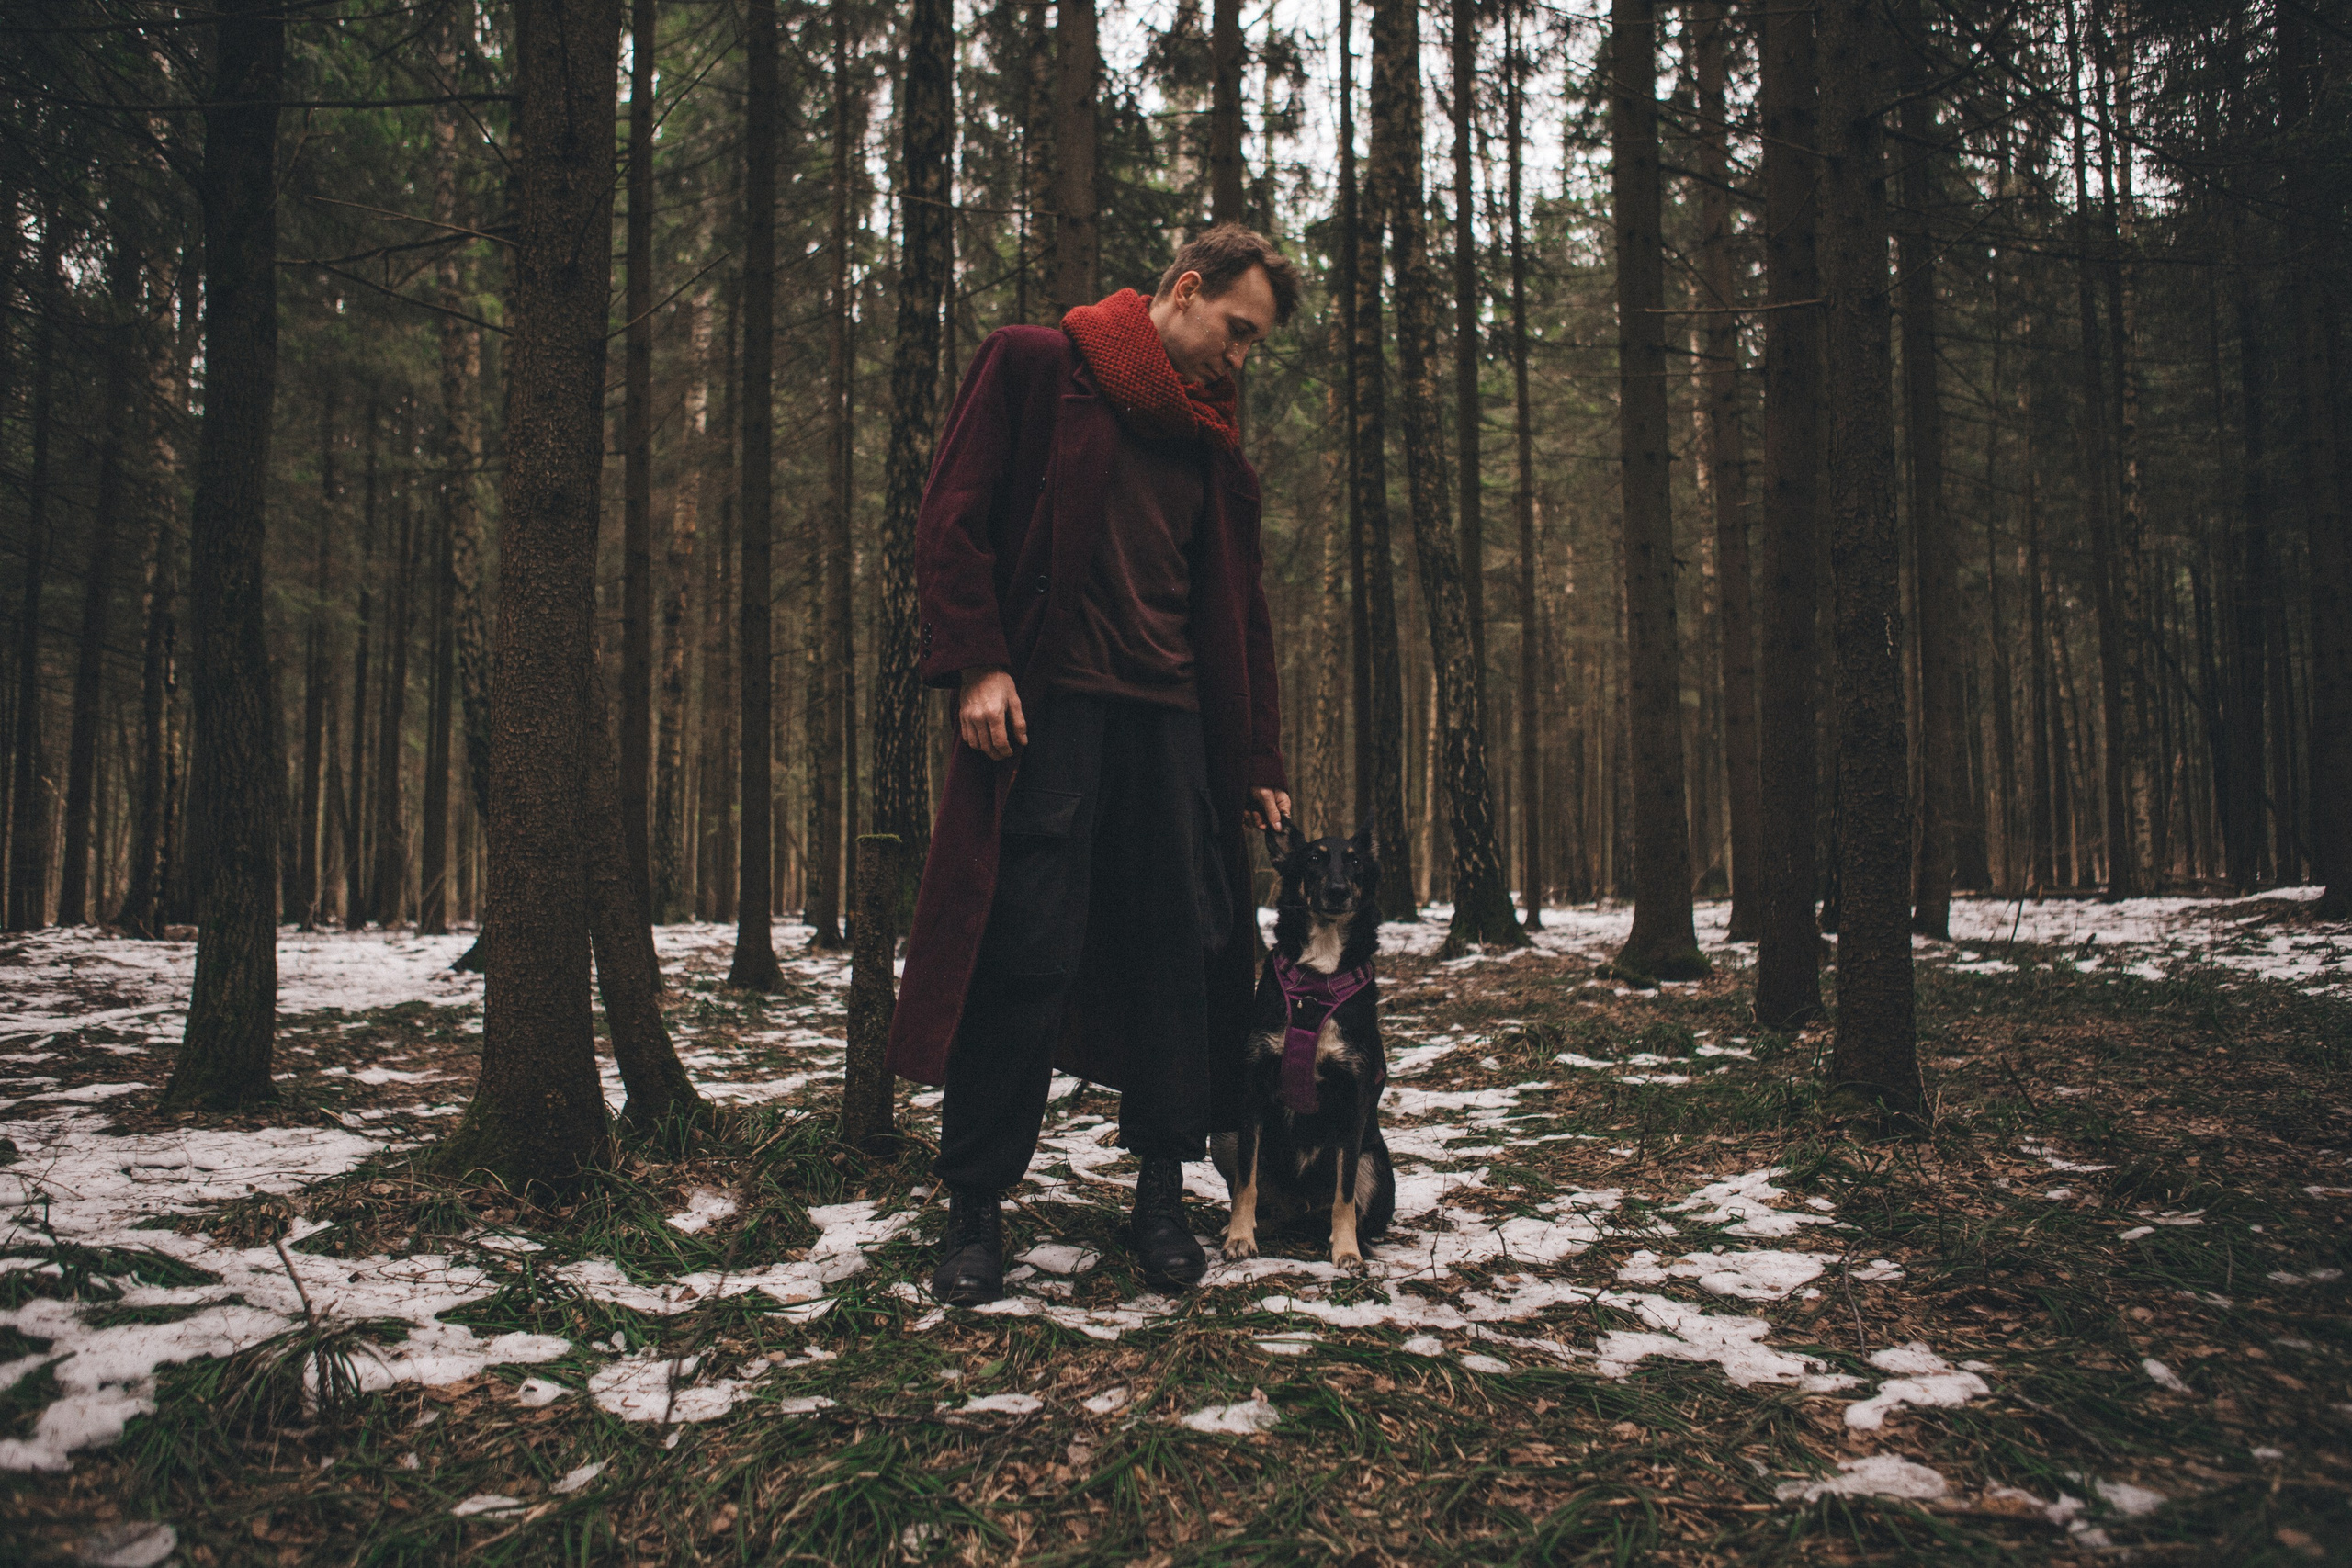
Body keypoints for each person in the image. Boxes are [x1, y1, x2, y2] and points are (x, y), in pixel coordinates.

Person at [887, 224, 1301, 1304]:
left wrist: (1255, 751)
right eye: (1237, 331)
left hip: (1174, 732)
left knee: (1182, 958)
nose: (1239, 361)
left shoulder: (1212, 446)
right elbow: (951, 518)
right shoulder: (1035, 364)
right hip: (1048, 719)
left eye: (1255, 346)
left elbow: (1240, 611)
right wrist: (977, 663)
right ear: (1183, 290)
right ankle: (975, 1209)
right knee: (1019, 952)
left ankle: (1160, 1200)